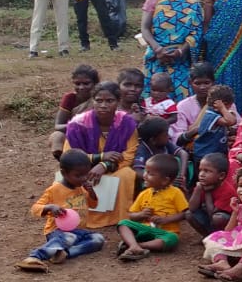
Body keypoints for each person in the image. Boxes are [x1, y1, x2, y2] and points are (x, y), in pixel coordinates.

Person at [63, 81, 139, 233]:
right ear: (93, 101)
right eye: (99, 100)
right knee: (73, 177)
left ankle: (120, 217)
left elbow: (130, 154)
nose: (103, 105)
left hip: (116, 167)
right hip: (83, 168)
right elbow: (69, 156)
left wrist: (104, 166)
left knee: (127, 174)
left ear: (118, 102)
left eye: (109, 101)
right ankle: (81, 217)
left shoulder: (126, 122)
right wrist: (100, 158)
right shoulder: (78, 124)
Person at [16, 149, 104, 272]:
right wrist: (50, 207)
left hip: (79, 231)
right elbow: (35, 208)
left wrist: (91, 192)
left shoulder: (81, 188)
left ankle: (63, 253)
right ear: (64, 173)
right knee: (69, 238)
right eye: (78, 175)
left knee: (98, 239)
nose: (83, 179)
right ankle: (34, 257)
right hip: (57, 232)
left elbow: (93, 205)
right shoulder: (54, 189)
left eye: (86, 174)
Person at [140, 0, 203, 101]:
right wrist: (158, 49)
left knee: (182, 99)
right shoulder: (153, 0)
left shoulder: (193, 3)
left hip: (181, 61)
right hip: (156, 58)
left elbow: (196, 32)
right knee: (154, 98)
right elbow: (145, 28)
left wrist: (180, 51)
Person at [115, 153, 189, 261]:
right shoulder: (144, 193)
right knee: (123, 223)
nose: (145, 175)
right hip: (144, 230)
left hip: (165, 232)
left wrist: (166, 220)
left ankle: (138, 245)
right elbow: (131, 215)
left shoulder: (175, 193)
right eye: (145, 171)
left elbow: (185, 213)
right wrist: (140, 215)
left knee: (172, 239)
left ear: (165, 180)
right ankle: (134, 245)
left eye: (150, 173)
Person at [48, 64, 100, 159]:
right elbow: (58, 126)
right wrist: (78, 126)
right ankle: (67, 164)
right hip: (74, 134)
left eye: (86, 83)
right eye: (77, 84)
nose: (81, 87)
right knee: (57, 136)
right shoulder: (70, 98)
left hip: (98, 134)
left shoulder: (101, 98)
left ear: (95, 84)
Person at [185, 152, 236, 238]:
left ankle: (222, 237)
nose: (201, 174)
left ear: (221, 176)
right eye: (200, 170)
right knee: (189, 214)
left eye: (207, 171)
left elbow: (212, 214)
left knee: (218, 218)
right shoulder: (202, 185)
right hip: (210, 218)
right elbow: (192, 208)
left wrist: (207, 193)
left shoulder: (227, 190)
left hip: (226, 221)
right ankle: (208, 237)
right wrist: (198, 189)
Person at [186, 85, 240, 161]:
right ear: (222, 104)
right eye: (228, 107)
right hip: (204, 155)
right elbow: (231, 121)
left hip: (214, 154)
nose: (229, 109)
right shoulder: (211, 115)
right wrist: (222, 108)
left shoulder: (217, 114)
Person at [132, 116, 187, 189]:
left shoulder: (165, 143)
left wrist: (181, 176)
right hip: (153, 184)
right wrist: (160, 179)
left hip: (168, 180)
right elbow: (137, 171)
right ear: (153, 140)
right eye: (166, 134)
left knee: (178, 160)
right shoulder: (142, 149)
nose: (168, 136)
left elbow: (183, 153)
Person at [171, 61, 214, 144]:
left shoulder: (223, 103)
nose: (202, 87)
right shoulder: (183, 106)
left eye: (206, 83)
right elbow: (177, 138)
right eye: (197, 83)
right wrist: (196, 130)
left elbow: (235, 126)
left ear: (213, 82)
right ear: (190, 83)